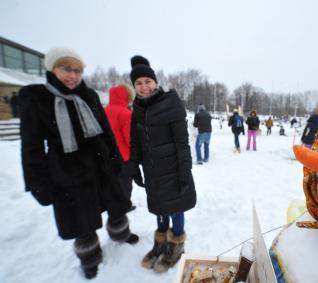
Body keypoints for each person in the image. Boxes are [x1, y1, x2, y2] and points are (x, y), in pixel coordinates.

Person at [19, 47, 138, 279]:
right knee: (81, 220)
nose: (72, 75)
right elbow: (31, 147)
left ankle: (121, 234)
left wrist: (116, 162)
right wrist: (38, 183)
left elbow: (106, 133)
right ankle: (90, 257)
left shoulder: (90, 96)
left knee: (116, 206)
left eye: (77, 70)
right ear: (52, 69)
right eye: (66, 69)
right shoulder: (37, 98)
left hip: (101, 165)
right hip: (67, 172)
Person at [128, 55, 196, 273]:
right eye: (138, 83)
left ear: (155, 82)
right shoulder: (138, 107)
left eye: (147, 81)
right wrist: (134, 166)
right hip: (152, 171)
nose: (143, 86)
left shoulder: (171, 102)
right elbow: (135, 140)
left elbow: (182, 143)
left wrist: (185, 171)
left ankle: (175, 246)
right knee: (159, 209)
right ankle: (160, 244)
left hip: (174, 170)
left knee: (175, 209)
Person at [104, 85, 136, 211]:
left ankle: (111, 202)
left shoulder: (104, 110)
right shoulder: (126, 113)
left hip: (108, 155)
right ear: (127, 96)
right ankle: (125, 205)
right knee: (125, 183)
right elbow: (130, 139)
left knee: (113, 181)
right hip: (124, 156)